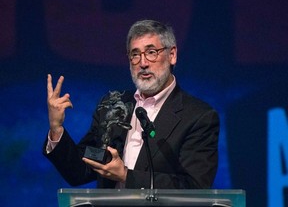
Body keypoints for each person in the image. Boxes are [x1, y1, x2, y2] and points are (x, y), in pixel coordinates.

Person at [43, 19, 220, 189]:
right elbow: (81, 169)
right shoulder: (113, 106)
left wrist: (127, 176)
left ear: (172, 55)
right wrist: (56, 128)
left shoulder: (198, 117)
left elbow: (194, 187)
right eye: (135, 54)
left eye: (151, 52)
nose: (143, 63)